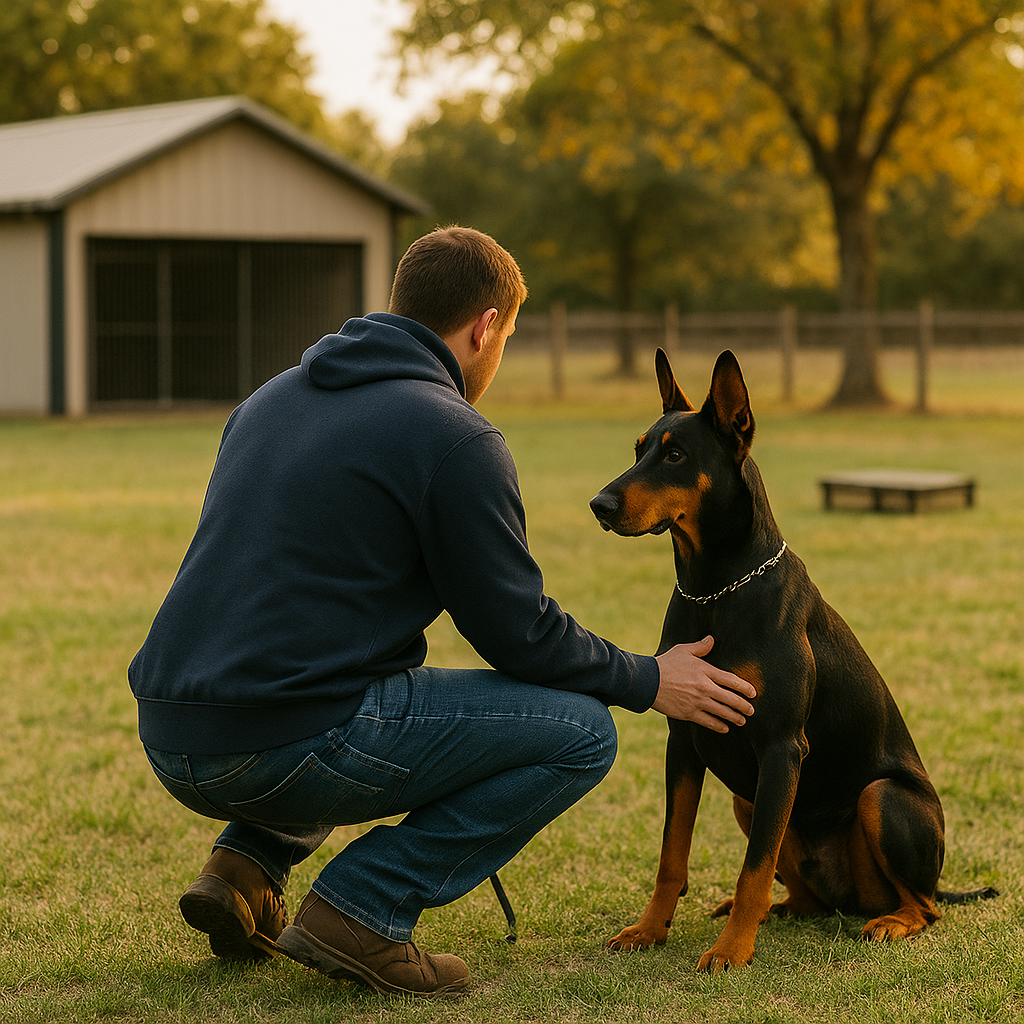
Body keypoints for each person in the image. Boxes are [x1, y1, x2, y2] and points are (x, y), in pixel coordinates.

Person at [129, 226, 756, 998]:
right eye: (508, 338)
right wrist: (648, 678)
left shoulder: (267, 400)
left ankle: (244, 870)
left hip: (172, 735)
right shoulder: (454, 435)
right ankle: (364, 907)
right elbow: (518, 635)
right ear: (485, 326)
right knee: (581, 734)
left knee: (355, 692)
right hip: (285, 742)